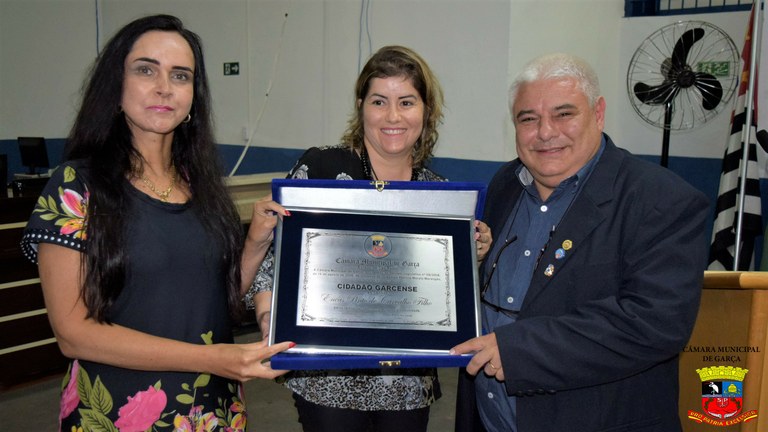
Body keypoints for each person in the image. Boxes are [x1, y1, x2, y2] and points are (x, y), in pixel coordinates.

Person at [19, 14, 293, 431]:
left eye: (180, 76)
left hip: (212, 412)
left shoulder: (202, 186)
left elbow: (215, 301)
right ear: (116, 86)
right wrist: (214, 358)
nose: (165, 87)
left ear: (193, 98)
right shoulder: (76, 186)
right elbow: (73, 334)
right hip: (116, 412)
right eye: (146, 70)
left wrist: (255, 242)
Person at [451, 53, 710, 431]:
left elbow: (654, 323)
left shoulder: (661, 199)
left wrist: (518, 349)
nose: (545, 132)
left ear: (598, 113)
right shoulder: (505, 184)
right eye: (528, 119)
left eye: (563, 114)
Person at [244, 45, 492, 432]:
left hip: (407, 382)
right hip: (327, 380)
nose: (393, 116)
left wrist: (471, 254)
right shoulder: (321, 169)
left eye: (406, 102)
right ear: (361, 107)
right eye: (379, 101)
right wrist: (268, 317)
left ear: (426, 110)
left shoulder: (439, 195)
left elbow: (444, 293)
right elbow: (273, 261)